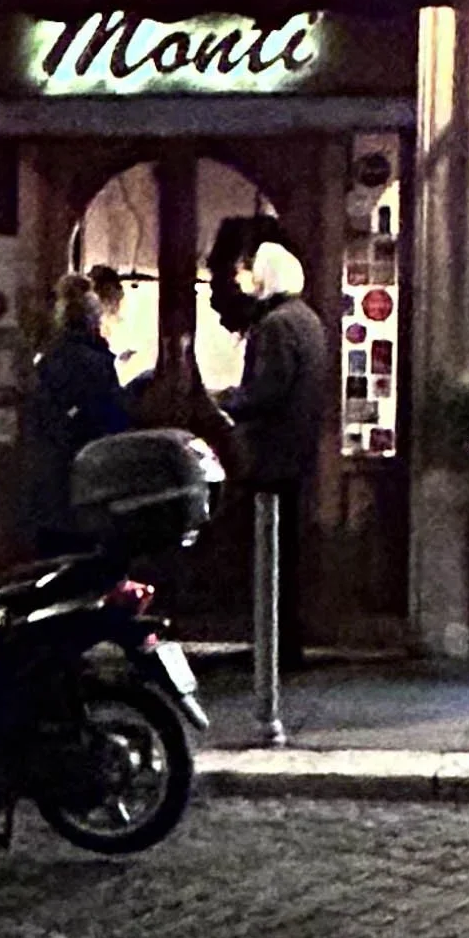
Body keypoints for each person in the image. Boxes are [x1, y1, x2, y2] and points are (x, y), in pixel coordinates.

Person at [210, 220, 328, 672]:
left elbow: (266, 391)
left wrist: (228, 403)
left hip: (271, 457)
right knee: (285, 556)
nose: (248, 283)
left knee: (269, 557)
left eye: (253, 274)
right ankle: (283, 644)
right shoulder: (308, 320)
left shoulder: (276, 325)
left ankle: (272, 648)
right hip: (296, 455)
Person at [23, 272, 131, 554]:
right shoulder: (95, 364)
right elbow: (110, 419)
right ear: (93, 320)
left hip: (49, 487)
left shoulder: (48, 360)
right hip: (87, 483)